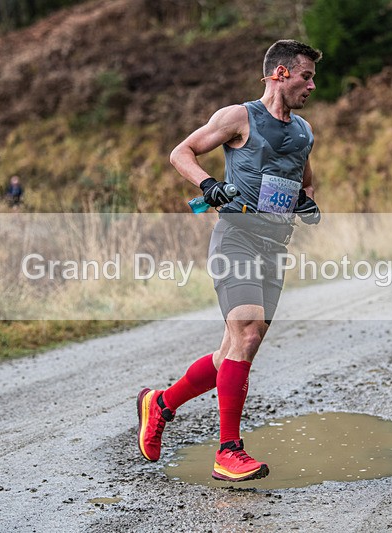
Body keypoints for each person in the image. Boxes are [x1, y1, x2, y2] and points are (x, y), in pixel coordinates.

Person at [137, 39, 323, 482]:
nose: (312, 85)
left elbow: (306, 178)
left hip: (274, 248)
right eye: (306, 76)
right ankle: (228, 452)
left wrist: (305, 202)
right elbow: (181, 152)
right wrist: (208, 185)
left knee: (234, 351)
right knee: (248, 331)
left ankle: (159, 403)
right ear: (280, 73)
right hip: (236, 238)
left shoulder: (304, 131)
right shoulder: (239, 117)